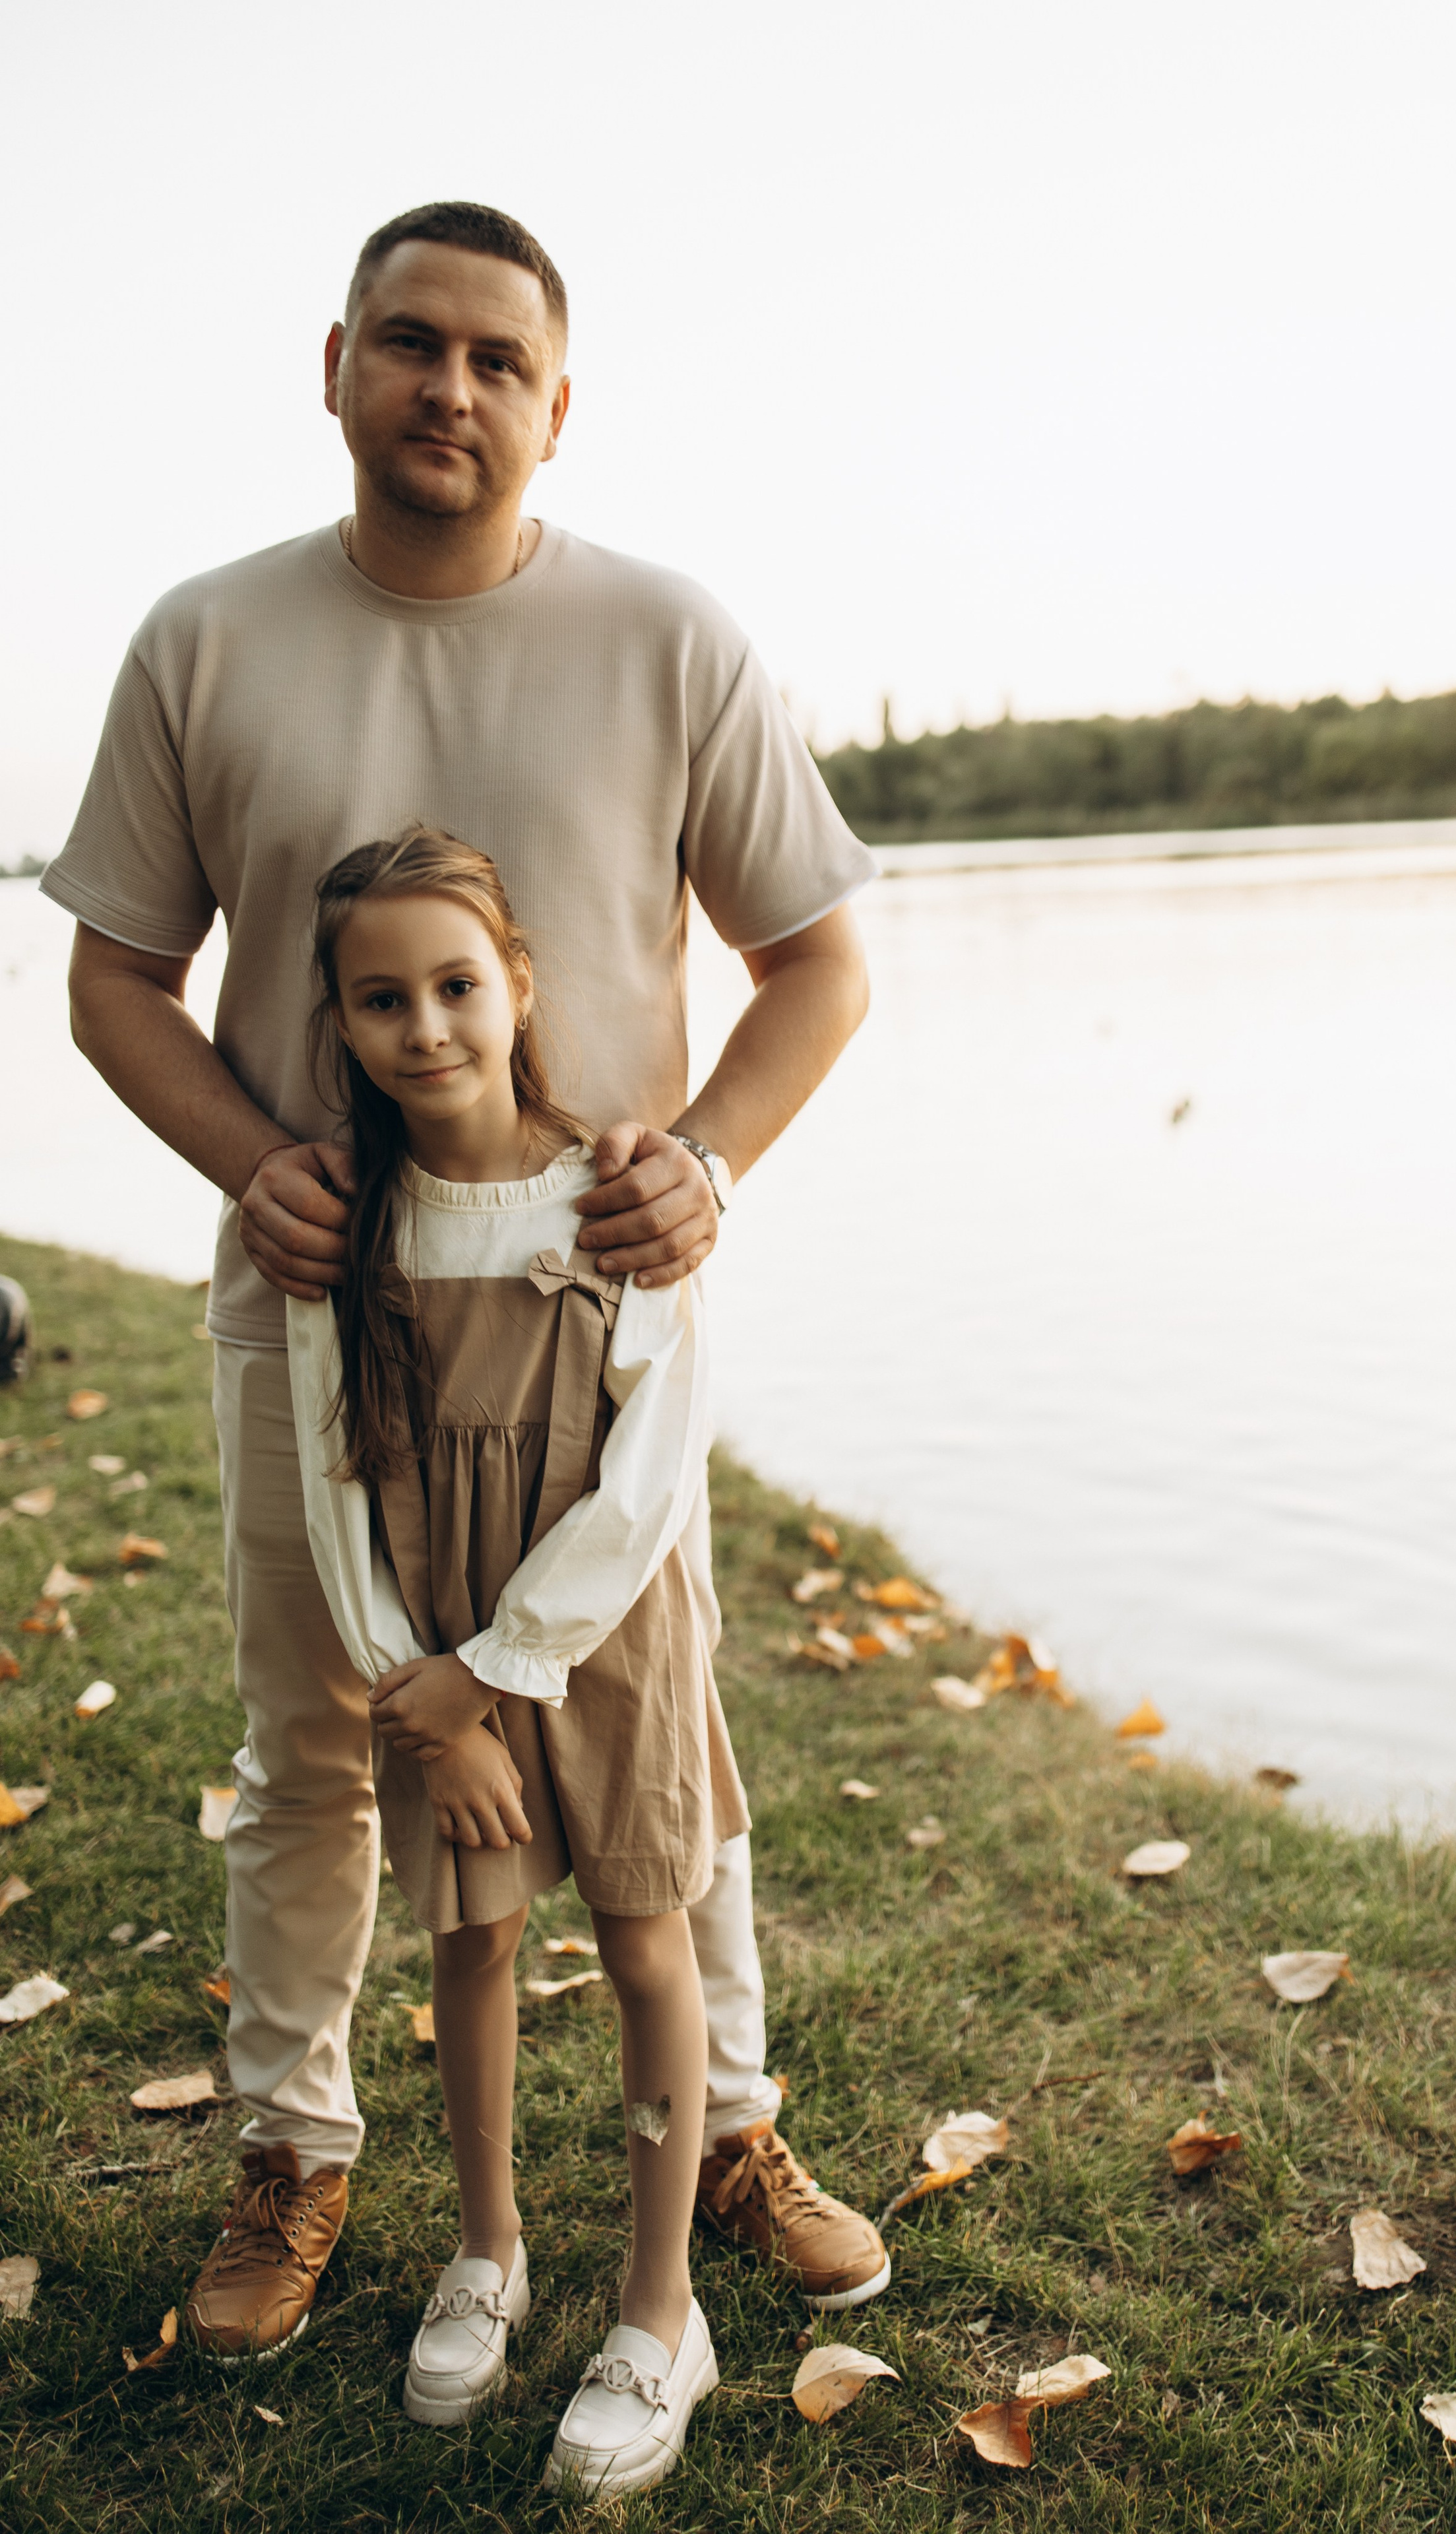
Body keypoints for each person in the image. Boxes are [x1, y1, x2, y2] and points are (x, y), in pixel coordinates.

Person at [46, 197, 885, 2363]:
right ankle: (297, 2151)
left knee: (651, 1725)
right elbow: (116, 981)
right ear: (335, 370)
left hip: (596, 1321)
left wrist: (705, 1164)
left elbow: (819, 966)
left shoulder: (668, 639)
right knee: (318, 1733)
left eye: (498, 360)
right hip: (318, 1314)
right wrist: (253, 1171)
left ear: (557, 405)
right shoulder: (205, 641)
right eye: (409, 346)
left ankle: (727, 2126)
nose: (450, 389)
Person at [296, 828, 731, 2489]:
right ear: (337, 1022)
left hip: (596, 1648)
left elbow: (650, 1479)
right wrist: (425, 1690)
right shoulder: (342, 1235)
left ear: (520, 987)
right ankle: (486, 2248)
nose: (427, 1027)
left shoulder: (610, 1199)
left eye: (457, 985)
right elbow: (334, 1474)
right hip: (432, 1670)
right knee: (470, 1944)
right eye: (382, 998)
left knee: (641, 1946)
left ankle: (656, 2306)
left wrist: (506, 1663)